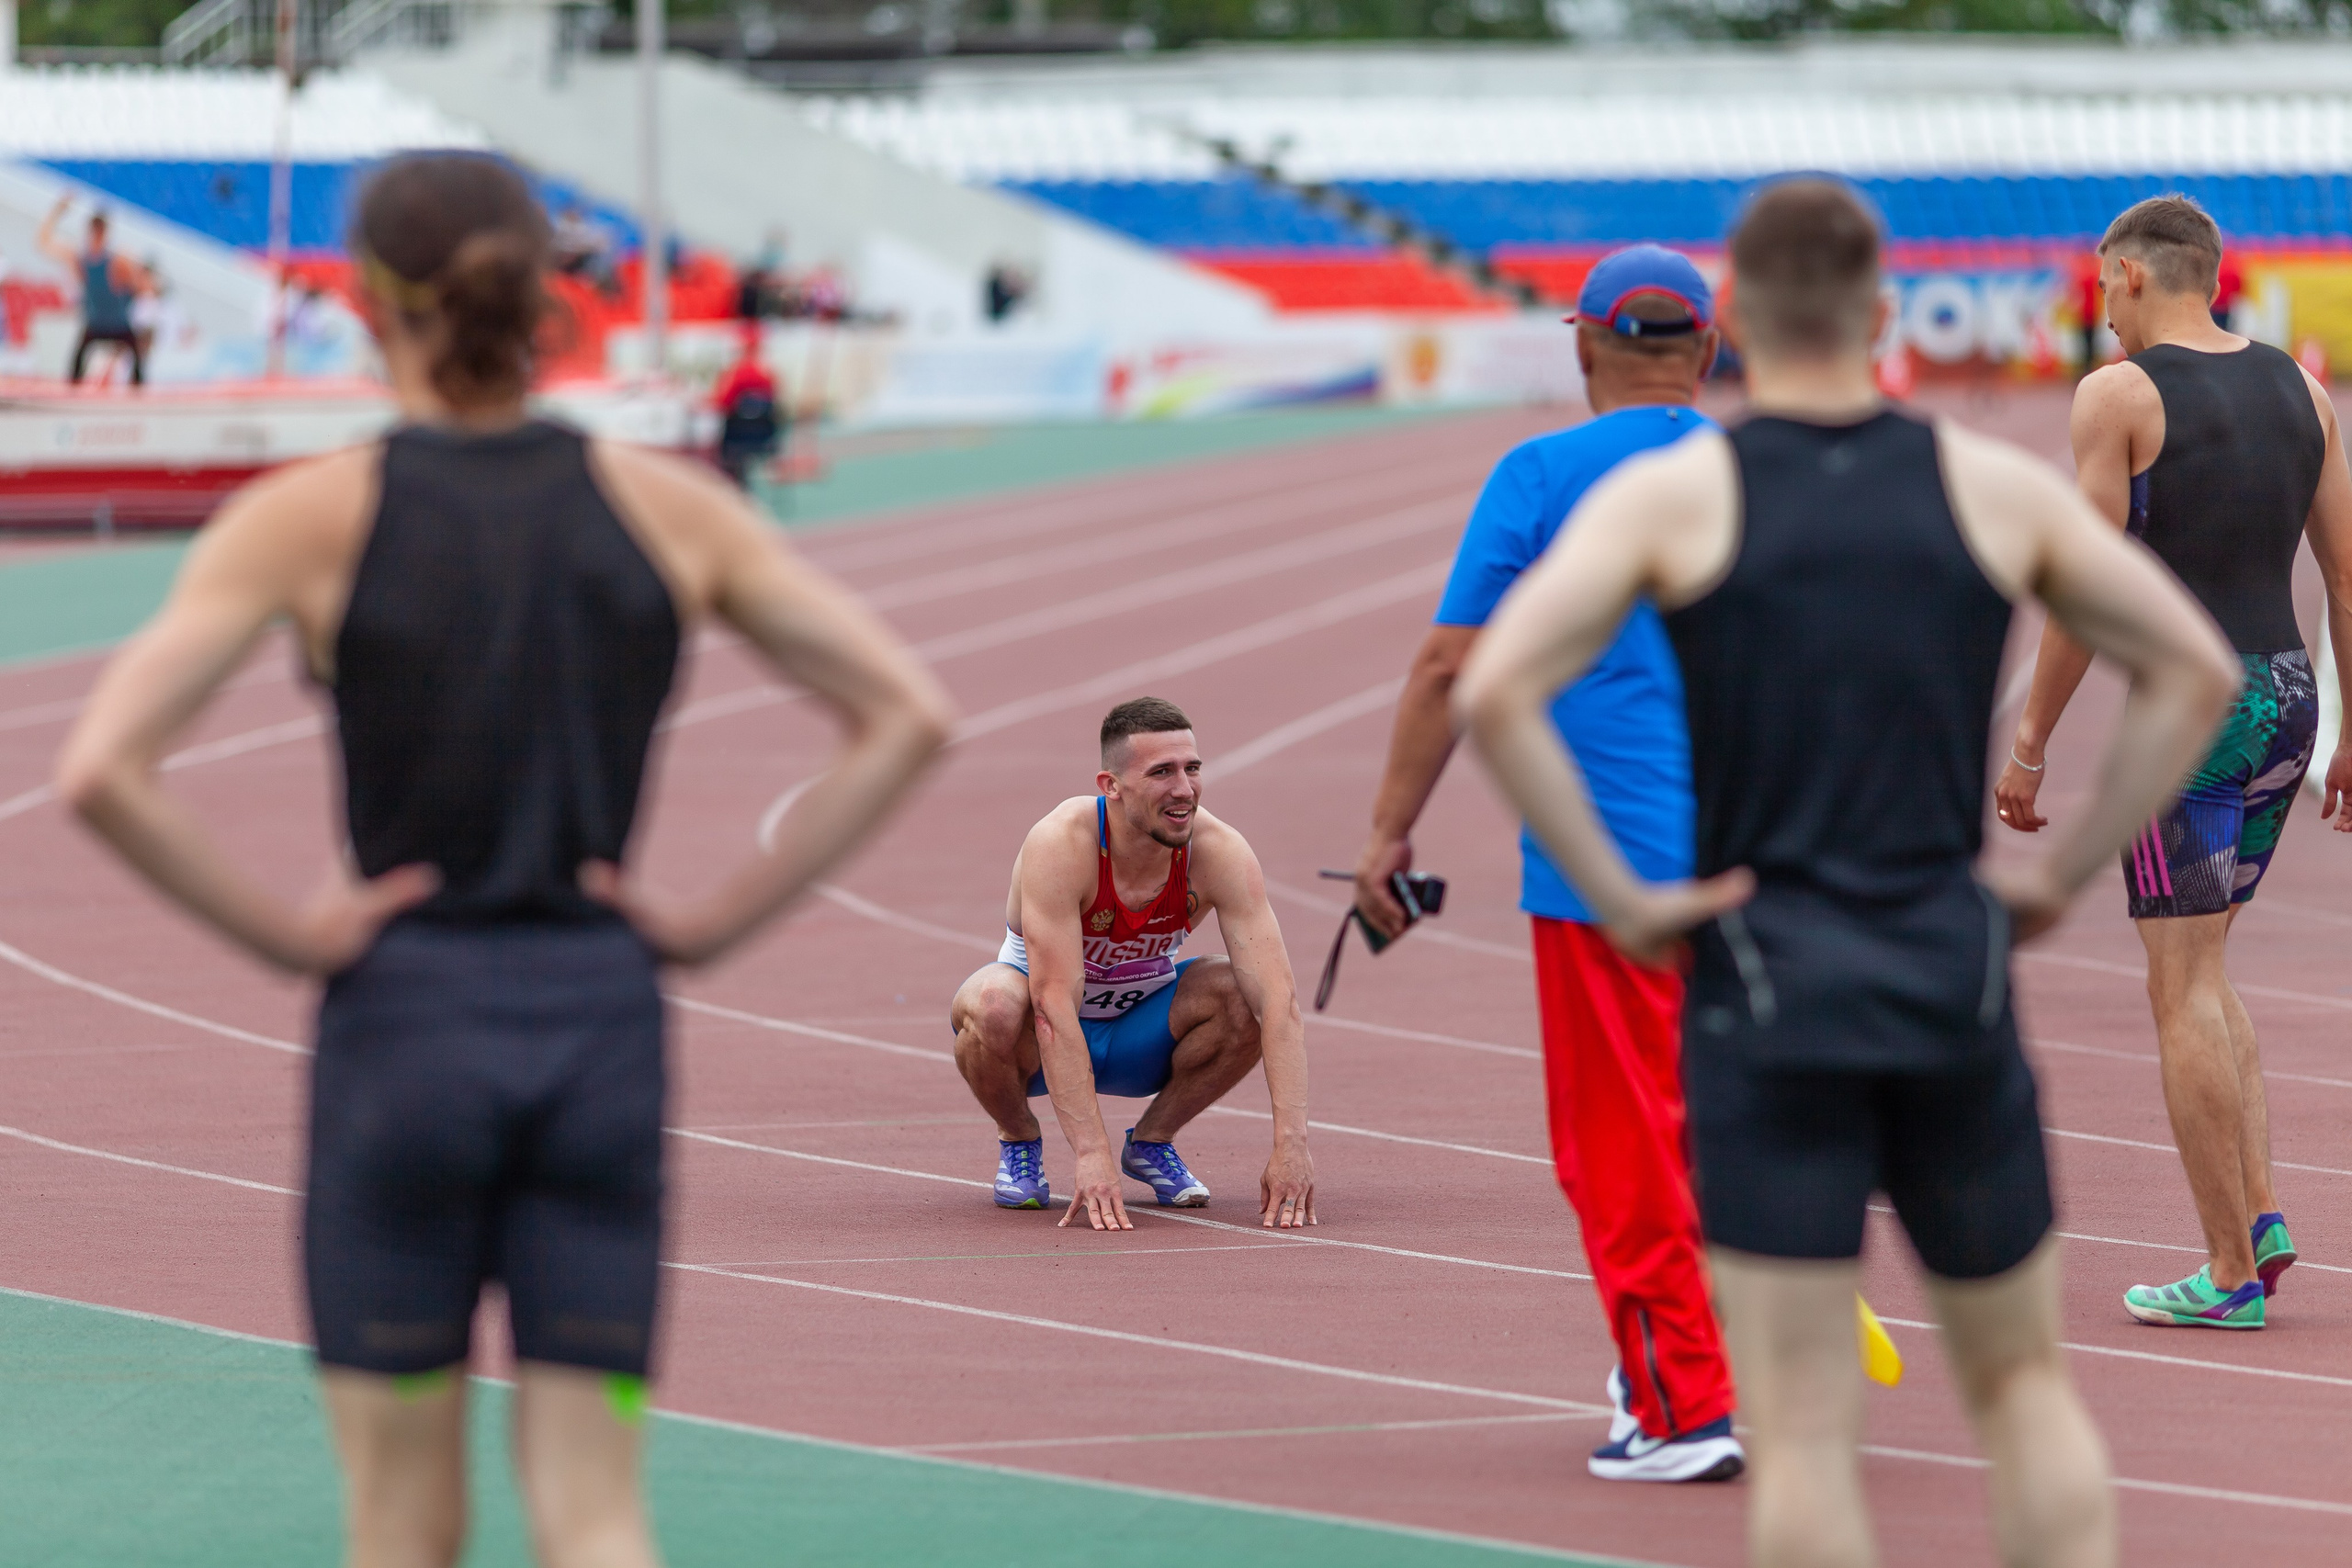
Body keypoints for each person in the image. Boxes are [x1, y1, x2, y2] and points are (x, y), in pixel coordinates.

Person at [54, 152, 951, 1568]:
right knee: (597, 1516)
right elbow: (909, 713)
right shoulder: (671, 507)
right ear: (550, 296)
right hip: (599, 1032)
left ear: (364, 303)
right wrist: (710, 925)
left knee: (402, 1526)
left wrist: (294, 937)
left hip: (403, 1040)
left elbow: (102, 769)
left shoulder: (309, 516)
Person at [1457, 177, 2239, 1568]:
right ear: (1883, 317)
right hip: (1950, 963)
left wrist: (1627, 898)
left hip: (1767, 980)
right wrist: (2056, 873)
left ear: (1741, 324)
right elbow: (2195, 666)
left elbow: (1495, 688)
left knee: (1808, 1427)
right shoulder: (1984, 484)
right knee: (2022, 1389)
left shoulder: (1676, 494)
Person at [1351, 243, 1740, 1483]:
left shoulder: (1542, 473)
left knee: (1622, 1140)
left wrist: (1387, 832)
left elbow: (1447, 668)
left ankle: (1683, 1404)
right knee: (1747, 1126)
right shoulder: (1766, 471)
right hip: (1778, 859)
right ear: (1709, 345)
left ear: (1581, 343)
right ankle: (1732, 1365)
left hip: (1607, 868)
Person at [1993, 194, 2352, 1329]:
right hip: (2286, 698)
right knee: (2209, 971)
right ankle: (2255, 1208)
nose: (2096, 309)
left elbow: (2084, 589)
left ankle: (2227, 1274)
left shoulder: (2119, 395)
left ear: (2140, 276)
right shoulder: (2302, 385)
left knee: (2179, 986)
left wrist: (2031, 741)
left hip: (2193, 713)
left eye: (2101, 284)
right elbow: (2346, 575)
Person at [952, 697, 1317, 1232]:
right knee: (991, 1003)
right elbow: (1052, 1004)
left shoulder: (1217, 851)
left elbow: (1278, 1002)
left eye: (1192, 769)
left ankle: (1151, 1142)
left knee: (1241, 992)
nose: (1184, 789)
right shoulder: (1061, 843)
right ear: (1111, 786)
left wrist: (1292, 1147)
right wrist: (1089, 1153)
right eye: (1161, 772)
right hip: (1038, 1039)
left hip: (1140, 1035)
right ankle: (1020, 1140)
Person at [38, 199, 150, 387]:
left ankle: (136, 395)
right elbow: (44, 244)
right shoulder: (84, 259)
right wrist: (56, 211)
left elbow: (145, 288)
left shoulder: (118, 261)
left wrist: (133, 284)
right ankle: (74, 392)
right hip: (100, 324)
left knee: (136, 361)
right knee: (77, 366)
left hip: (115, 325)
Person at [710, 322, 785, 490]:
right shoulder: (768, 374)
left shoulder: (737, 374)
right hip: (764, 438)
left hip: (737, 438)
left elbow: (721, 403)